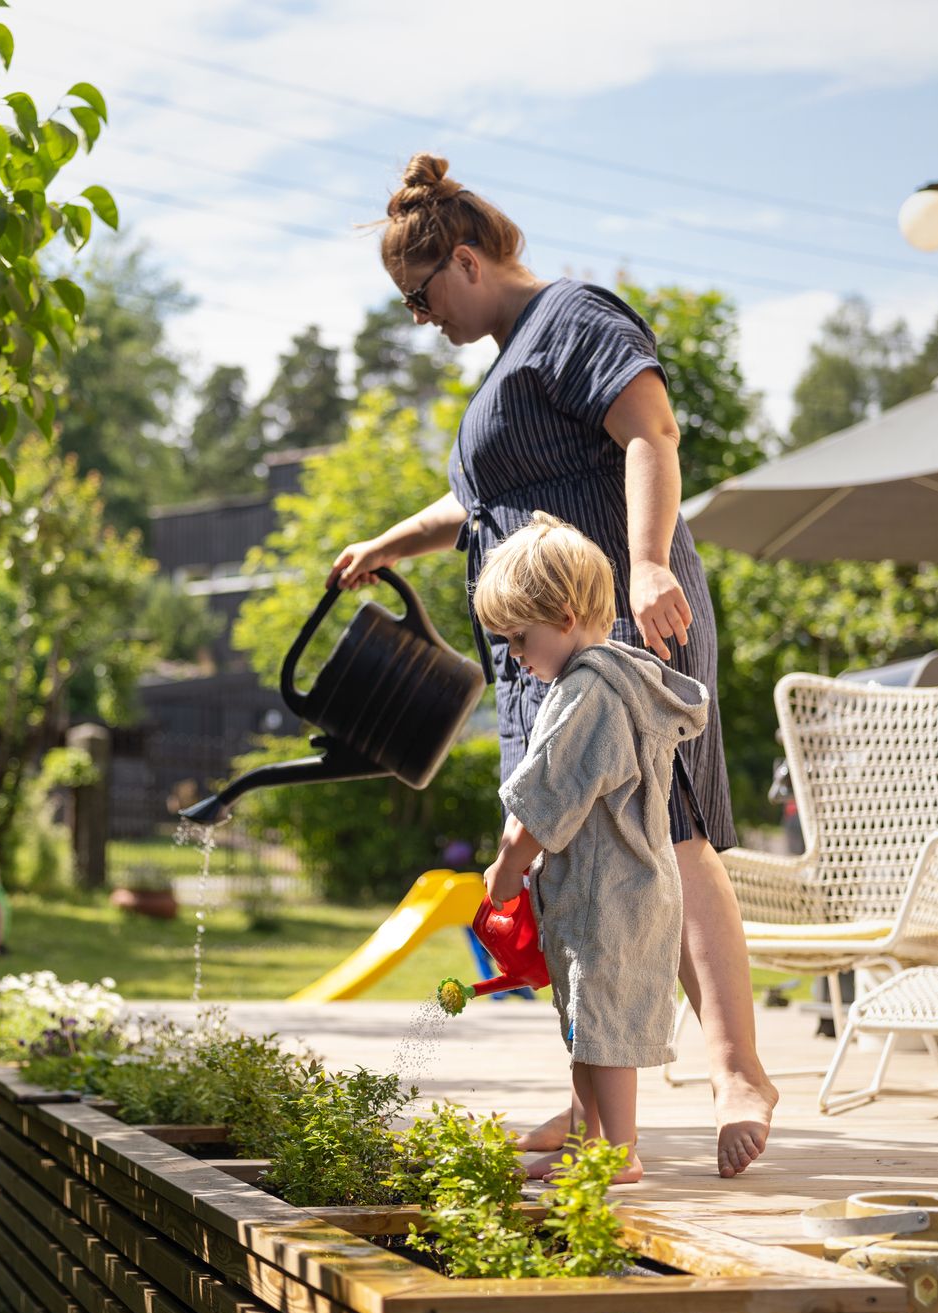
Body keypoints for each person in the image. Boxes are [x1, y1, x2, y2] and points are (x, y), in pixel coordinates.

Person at [332, 153, 777, 1178]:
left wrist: (652, 563)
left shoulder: (572, 319)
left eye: (421, 296)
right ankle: (595, 1110)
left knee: (673, 832)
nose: (422, 319)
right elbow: (478, 508)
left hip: (621, 631)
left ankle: (736, 1067)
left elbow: (650, 430)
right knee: (579, 864)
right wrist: (387, 546)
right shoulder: (506, 367)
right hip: (547, 658)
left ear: (469, 259)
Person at [476, 514, 708, 1183]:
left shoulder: (586, 693)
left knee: (602, 1024)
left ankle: (619, 1152)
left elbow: (545, 796)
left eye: (521, 638)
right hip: (618, 883)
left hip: (614, 889)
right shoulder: (614, 680)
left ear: (567, 616)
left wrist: (508, 868)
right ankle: (587, 1138)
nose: (516, 655)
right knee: (587, 1018)